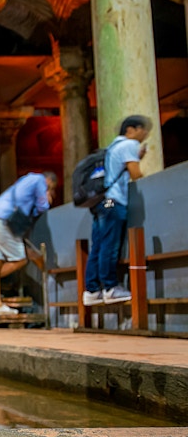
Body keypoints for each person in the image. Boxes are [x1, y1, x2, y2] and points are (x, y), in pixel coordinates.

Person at [83, 115, 152, 306]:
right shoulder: (129, 144)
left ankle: (92, 290)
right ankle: (111, 288)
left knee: (97, 246)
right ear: (131, 129)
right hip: (113, 202)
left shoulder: (111, 148)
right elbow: (136, 174)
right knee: (110, 246)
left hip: (100, 202)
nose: (145, 134)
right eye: (143, 130)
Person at [0, 171, 57, 315]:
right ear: (49, 181)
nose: (51, 192)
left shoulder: (25, 179)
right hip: (2, 222)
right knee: (21, 259)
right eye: (51, 189)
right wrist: (46, 199)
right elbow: (43, 206)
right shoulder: (39, 181)